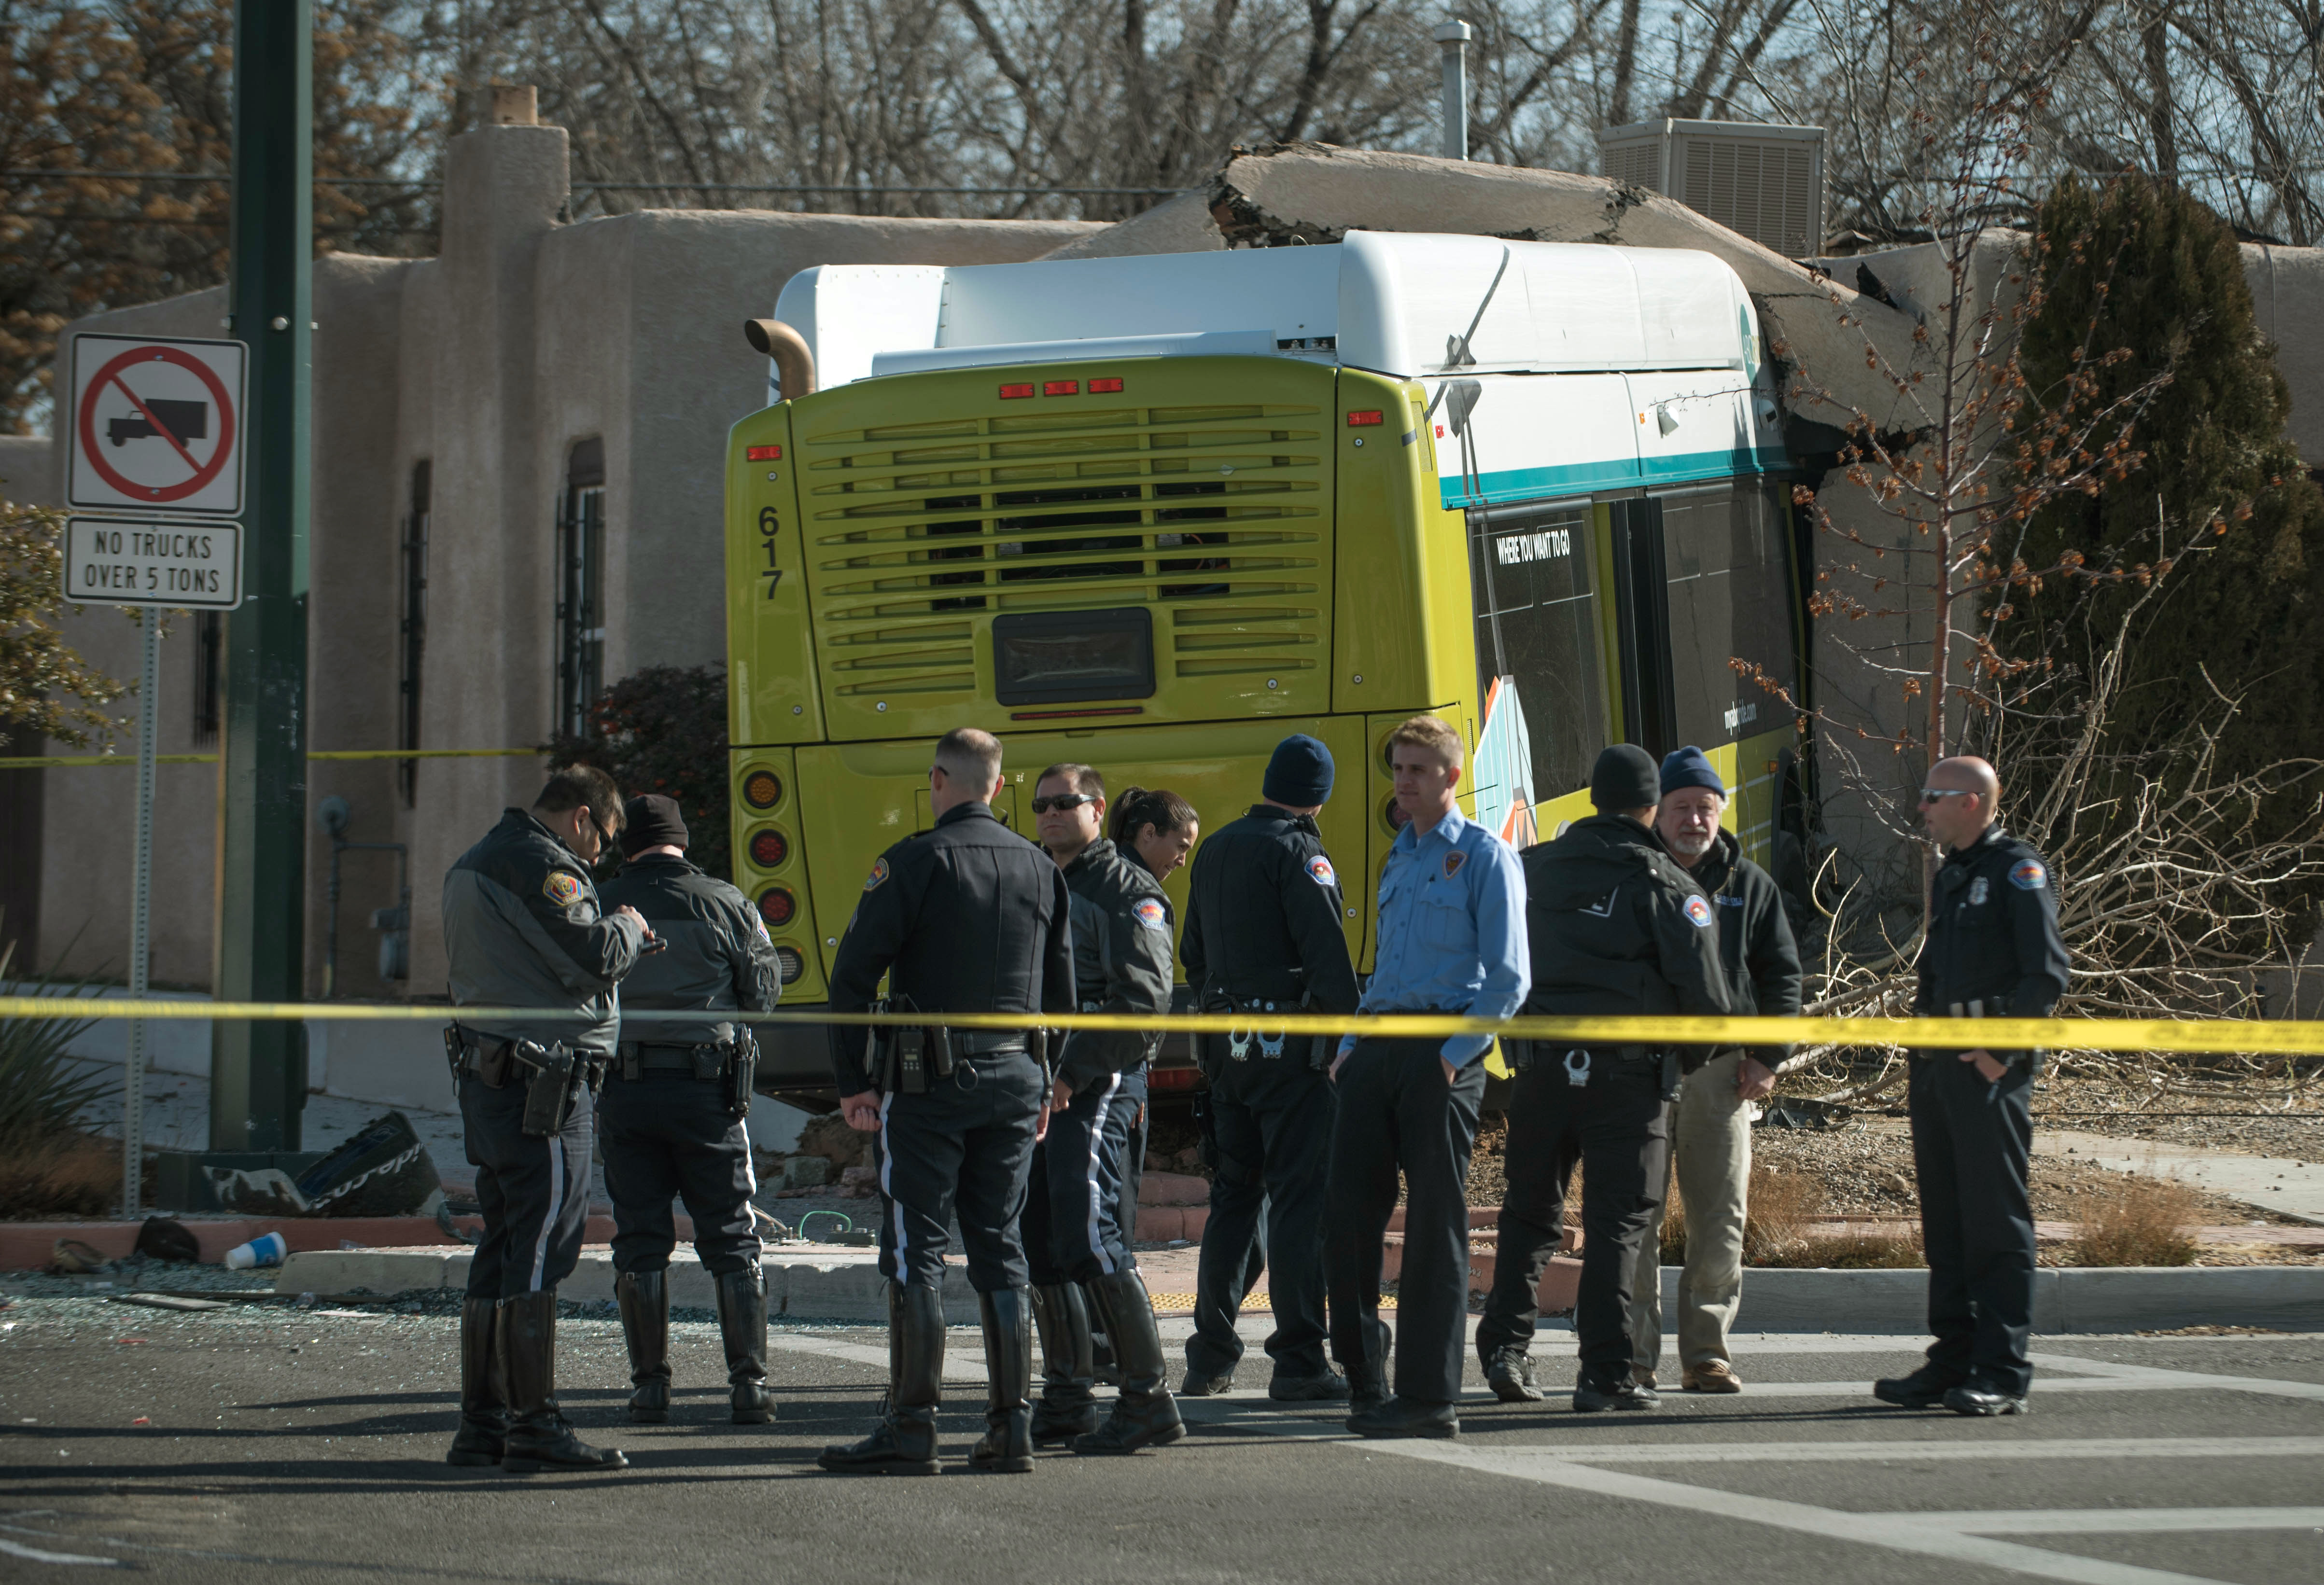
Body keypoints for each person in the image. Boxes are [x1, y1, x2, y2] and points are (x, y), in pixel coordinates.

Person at [818, 728, 1076, 1476]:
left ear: (938, 780)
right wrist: (1049, 1080)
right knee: (1001, 1247)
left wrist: (852, 1080)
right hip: (1015, 1080)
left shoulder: (915, 861)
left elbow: (852, 979)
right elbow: (1063, 996)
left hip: (927, 1085)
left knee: (915, 1250)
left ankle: (912, 1425)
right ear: (1000, 787)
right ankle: (1009, 1427)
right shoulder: (1040, 865)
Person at [1474, 744, 1731, 1413]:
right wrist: (1669, 1069)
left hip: (1541, 1073)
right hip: (1628, 1081)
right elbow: (1710, 1009)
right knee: (1616, 1226)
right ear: (1651, 806)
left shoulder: (1530, 869)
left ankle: (1505, 1350)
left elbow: (1493, 964)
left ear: (1593, 797)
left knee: (1528, 1215)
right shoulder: (1669, 886)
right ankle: (1605, 1373)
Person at [440, 765, 652, 1473]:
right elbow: (589, 958)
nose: (598, 858)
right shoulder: (541, 865)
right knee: (539, 1246)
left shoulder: (477, 859)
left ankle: (484, 1423)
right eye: (604, 839)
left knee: (503, 1243)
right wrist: (623, 924)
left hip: (493, 1077)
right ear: (585, 817)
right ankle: (533, 1424)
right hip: (546, 1086)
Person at [1324, 715, 1528, 1439]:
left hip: (1442, 1053)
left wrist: (1450, 1056)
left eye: (1416, 770)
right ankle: (1363, 1379)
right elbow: (1382, 966)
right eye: (1398, 769)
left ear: (1449, 776)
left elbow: (1508, 979)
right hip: (1377, 1048)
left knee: (1435, 1226)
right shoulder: (1400, 858)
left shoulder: (1483, 857)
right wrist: (1349, 1045)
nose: (1402, 783)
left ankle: (1428, 1396)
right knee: (1347, 1219)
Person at [1875, 754, 2069, 1418]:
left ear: (1971, 802)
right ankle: (1951, 1357)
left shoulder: (2018, 871)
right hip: (1937, 1067)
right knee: (1947, 1222)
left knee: (1994, 1222)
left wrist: (1997, 1058)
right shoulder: (1953, 872)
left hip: (1986, 1071)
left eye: (1933, 796)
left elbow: (2043, 976)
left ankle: (2001, 1369)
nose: (1921, 807)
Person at [1178, 734, 1360, 1401]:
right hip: (1292, 1056)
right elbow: (1327, 960)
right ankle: (1299, 1359)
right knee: (1297, 1201)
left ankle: (1210, 1355)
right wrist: (1346, 1035)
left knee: (1233, 1199)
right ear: (1320, 797)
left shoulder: (1217, 847)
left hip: (1228, 1052)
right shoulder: (1299, 853)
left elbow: (1191, 953)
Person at [596, 794, 784, 1426]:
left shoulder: (599, 902)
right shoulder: (727, 901)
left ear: (628, 843)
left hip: (623, 1090)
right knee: (731, 1238)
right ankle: (748, 1386)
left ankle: (649, 1387)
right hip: (709, 1092)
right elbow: (762, 995)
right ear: (681, 839)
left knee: (640, 1239)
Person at [1626, 747, 1803, 1394]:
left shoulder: (1749, 886)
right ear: (1658, 813)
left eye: (1704, 807)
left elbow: (1782, 976)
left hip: (1721, 1076)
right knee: (1634, 1219)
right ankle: (1633, 1356)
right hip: (1640, 1069)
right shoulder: (1634, 875)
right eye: (1680, 807)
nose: (1693, 820)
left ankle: (1706, 1352)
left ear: (1720, 811)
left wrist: (1766, 1059)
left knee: (1719, 1215)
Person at [1023, 764, 1184, 1455]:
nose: (1052, 814)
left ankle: (1146, 1397)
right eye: (1041, 805)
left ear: (1095, 809)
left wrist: (1074, 1073)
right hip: (1035, 1080)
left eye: (1066, 803)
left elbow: (1144, 1004)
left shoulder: (1126, 888)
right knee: (1043, 1239)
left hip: (1098, 1083)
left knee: (1091, 1234)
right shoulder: (1038, 878)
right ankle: (1066, 1394)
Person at [1094, 785, 1199, 1379]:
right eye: (1178, 845)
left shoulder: (1088, 877)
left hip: (1081, 1072)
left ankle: (1093, 1345)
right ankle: (1123, 1351)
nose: (1181, 858)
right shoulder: (1137, 892)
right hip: (1114, 1076)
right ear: (1146, 834)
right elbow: (1146, 1000)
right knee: (1110, 1207)